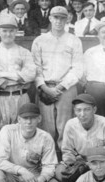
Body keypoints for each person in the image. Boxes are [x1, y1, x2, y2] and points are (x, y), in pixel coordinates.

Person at [31, 6, 83, 146]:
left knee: (65, 126)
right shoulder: (40, 40)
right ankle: (47, 159)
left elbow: (78, 68)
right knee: (45, 126)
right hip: (45, 87)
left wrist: (60, 87)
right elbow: (36, 67)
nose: (59, 21)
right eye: (56, 17)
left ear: (67, 19)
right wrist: (45, 88)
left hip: (66, 88)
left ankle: (65, 160)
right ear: (50, 18)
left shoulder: (74, 40)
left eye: (62, 18)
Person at [0, 16, 37, 150]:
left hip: (21, 96)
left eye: (11, 31)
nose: (8, 34)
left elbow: (30, 74)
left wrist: (2, 74)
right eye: (5, 30)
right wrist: (18, 77)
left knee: (22, 135)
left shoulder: (24, 52)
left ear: (16, 31)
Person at [55, 94, 105, 182]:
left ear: (94, 110)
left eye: (87, 109)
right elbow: (67, 151)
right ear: (74, 111)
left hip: (101, 162)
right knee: (60, 172)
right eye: (78, 110)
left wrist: (99, 164)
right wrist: (72, 165)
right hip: (80, 161)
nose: (82, 114)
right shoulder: (70, 124)